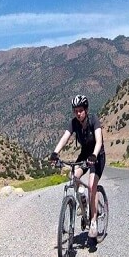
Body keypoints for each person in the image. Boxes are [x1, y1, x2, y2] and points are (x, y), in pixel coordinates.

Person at [50, 94, 105, 239]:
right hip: (84, 155)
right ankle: (84, 203)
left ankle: (93, 221)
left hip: (97, 156)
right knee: (73, 176)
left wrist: (94, 155)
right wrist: (55, 153)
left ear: (86, 110)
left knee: (92, 185)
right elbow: (65, 137)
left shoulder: (94, 120)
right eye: (75, 111)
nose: (78, 113)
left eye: (80, 110)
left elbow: (99, 141)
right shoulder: (74, 123)